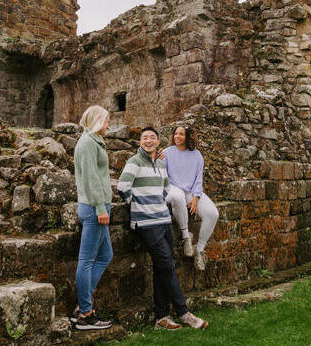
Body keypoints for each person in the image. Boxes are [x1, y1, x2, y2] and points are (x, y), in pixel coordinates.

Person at [117, 127, 208, 330]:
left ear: (159, 142)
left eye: (152, 138)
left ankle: (161, 317)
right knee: (167, 265)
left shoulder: (159, 163)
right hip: (147, 223)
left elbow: (166, 188)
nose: (148, 141)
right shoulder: (134, 162)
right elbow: (123, 187)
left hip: (163, 220)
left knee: (161, 267)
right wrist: (139, 205)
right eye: (144, 138)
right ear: (140, 142)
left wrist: (157, 203)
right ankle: (184, 313)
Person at [72, 105, 113, 331]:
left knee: (106, 255)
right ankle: (86, 313)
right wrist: (100, 208)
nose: (109, 124)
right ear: (97, 120)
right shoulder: (88, 143)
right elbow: (90, 178)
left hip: (97, 205)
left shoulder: (93, 140)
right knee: (86, 261)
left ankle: (83, 302)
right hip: (93, 207)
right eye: (107, 120)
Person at [164, 125, 219, 271]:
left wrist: (196, 197)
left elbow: (198, 179)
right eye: (176, 134)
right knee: (178, 197)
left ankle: (199, 250)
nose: (177, 136)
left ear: (188, 137)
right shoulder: (166, 153)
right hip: (172, 189)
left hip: (190, 192)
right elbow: (162, 175)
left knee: (213, 214)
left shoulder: (197, 155)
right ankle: (186, 238)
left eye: (181, 134)